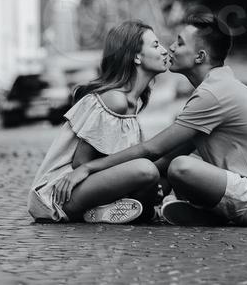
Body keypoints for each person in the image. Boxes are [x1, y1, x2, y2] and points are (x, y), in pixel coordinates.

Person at [51, 11, 247, 227]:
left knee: (182, 168)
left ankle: (211, 215)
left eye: (180, 43)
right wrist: (140, 184)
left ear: (200, 57)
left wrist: (87, 169)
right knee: (169, 169)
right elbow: (167, 157)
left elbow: (153, 150)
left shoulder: (214, 94)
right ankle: (171, 211)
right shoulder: (217, 88)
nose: (170, 47)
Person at [27, 20, 169, 224]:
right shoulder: (114, 100)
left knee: (161, 173)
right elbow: (80, 163)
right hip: (61, 194)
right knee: (146, 170)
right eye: (155, 45)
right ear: (136, 56)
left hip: (87, 187)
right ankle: (98, 210)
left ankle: (107, 210)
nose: (164, 51)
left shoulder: (131, 102)